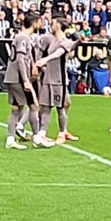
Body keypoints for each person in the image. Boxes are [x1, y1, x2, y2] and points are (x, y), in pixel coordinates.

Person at [32, 16, 75, 148]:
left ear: (60, 25)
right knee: (45, 107)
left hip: (58, 81)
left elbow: (58, 54)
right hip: (48, 80)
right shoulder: (51, 40)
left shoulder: (65, 41)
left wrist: (45, 60)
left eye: (54, 23)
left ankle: (62, 133)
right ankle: (41, 134)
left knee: (61, 108)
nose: (52, 24)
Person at [3, 12, 39, 150]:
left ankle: (11, 138)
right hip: (18, 78)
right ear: (34, 23)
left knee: (17, 109)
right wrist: (25, 80)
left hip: (14, 77)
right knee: (33, 105)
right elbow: (20, 59)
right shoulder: (23, 38)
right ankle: (36, 137)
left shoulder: (21, 37)